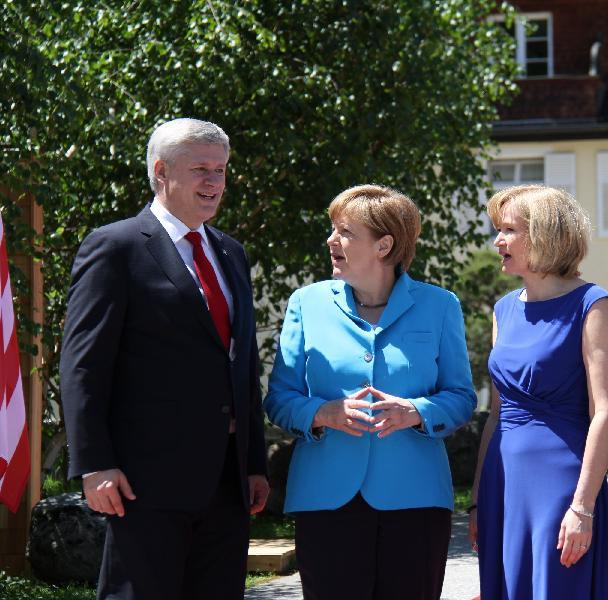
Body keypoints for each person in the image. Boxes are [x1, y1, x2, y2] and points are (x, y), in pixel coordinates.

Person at [60, 118, 269, 600]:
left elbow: (241, 365)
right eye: (201, 169)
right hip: (143, 483)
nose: (214, 183)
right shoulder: (116, 247)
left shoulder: (230, 252)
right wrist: (94, 464)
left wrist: (253, 462)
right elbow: (83, 364)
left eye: (221, 170)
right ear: (161, 171)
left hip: (226, 483)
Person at [264, 184, 476, 600]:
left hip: (416, 498)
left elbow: (461, 396)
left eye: (344, 232)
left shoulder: (440, 305)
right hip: (325, 498)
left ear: (384, 245)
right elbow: (279, 398)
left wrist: (415, 410)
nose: (331, 241)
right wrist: (322, 414)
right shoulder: (306, 303)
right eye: (332, 229)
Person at [470, 185, 608, 600]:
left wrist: (583, 506)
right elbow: (497, 411)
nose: (497, 241)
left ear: (544, 234)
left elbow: (605, 412)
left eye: (507, 230)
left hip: (562, 483)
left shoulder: (592, 304)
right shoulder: (503, 308)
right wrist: (477, 498)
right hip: (503, 482)